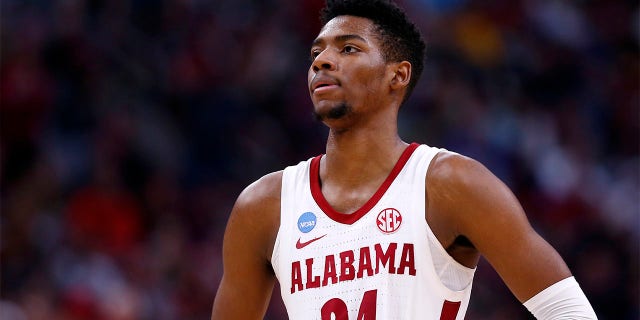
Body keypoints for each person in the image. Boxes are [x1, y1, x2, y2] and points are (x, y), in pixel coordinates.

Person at [211, 0, 598, 319]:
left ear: (397, 75)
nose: (322, 61)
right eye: (317, 52)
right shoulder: (263, 206)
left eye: (348, 48)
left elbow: (567, 310)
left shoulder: (450, 184)